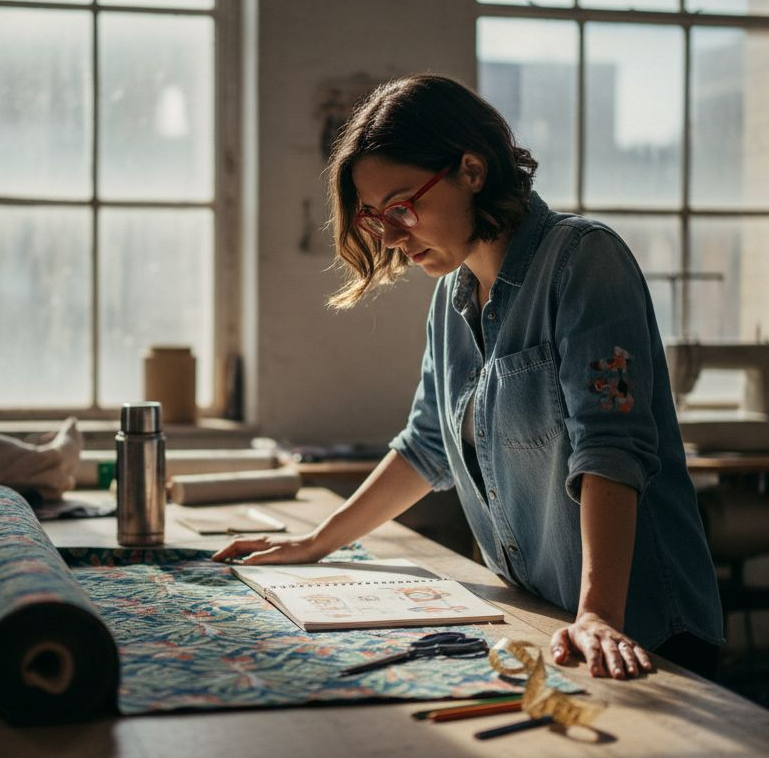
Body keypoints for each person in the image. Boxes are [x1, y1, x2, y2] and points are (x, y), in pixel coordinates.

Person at [213, 74, 724, 680]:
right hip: (548, 619)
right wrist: (317, 544)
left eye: (404, 206)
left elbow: (610, 449)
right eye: (377, 218)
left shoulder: (584, 260)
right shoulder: (451, 297)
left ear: (472, 172)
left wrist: (597, 615)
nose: (394, 237)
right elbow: (426, 445)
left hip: (642, 630)